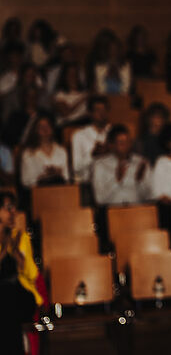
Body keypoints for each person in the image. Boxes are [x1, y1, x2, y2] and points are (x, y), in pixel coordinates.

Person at [0, 191, 42, 355]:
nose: (13, 213)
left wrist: (17, 254)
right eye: (8, 208)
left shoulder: (20, 237)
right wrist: (5, 249)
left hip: (20, 294)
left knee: (7, 299)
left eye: (14, 208)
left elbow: (32, 275)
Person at [91, 124, 152, 206]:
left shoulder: (142, 163)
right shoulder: (100, 165)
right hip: (111, 210)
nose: (126, 146)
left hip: (137, 209)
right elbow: (99, 199)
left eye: (128, 142)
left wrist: (140, 181)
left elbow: (149, 196)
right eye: (121, 143)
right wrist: (116, 180)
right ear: (112, 145)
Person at [20, 113, 70, 188]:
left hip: (61, 189)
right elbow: (26, 180)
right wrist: (44, 177)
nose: (45, 129)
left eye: (47, 126)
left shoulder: (61, 150)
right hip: (38, 191)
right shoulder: (28, 153)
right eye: (41, 127)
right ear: (35, 130)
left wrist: (59, 173)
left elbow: (68, 177)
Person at [71, 96, 111, 183]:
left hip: (111, 181)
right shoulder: (79, 135)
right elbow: (76, 168)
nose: (102, 114)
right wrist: (92, 156)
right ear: (90, 113)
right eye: (98, 110)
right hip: (88, 182)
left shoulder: (113, 133)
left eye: (104, 110)